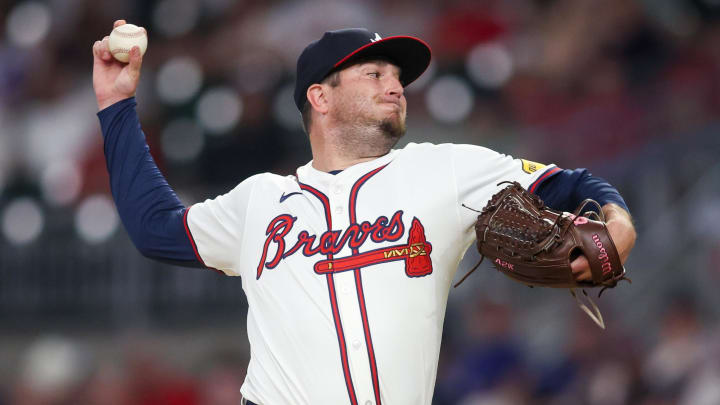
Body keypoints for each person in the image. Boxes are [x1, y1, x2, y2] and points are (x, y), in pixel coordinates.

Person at [92, 21, 636, 405]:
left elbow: (572, 184)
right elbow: (154, 228)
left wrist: (619, 221)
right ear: (320, 99)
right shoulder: (259, 202)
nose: (396, 85)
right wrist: (117, 106)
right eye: (373, 74)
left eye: (397, 76)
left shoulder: (444, 170)